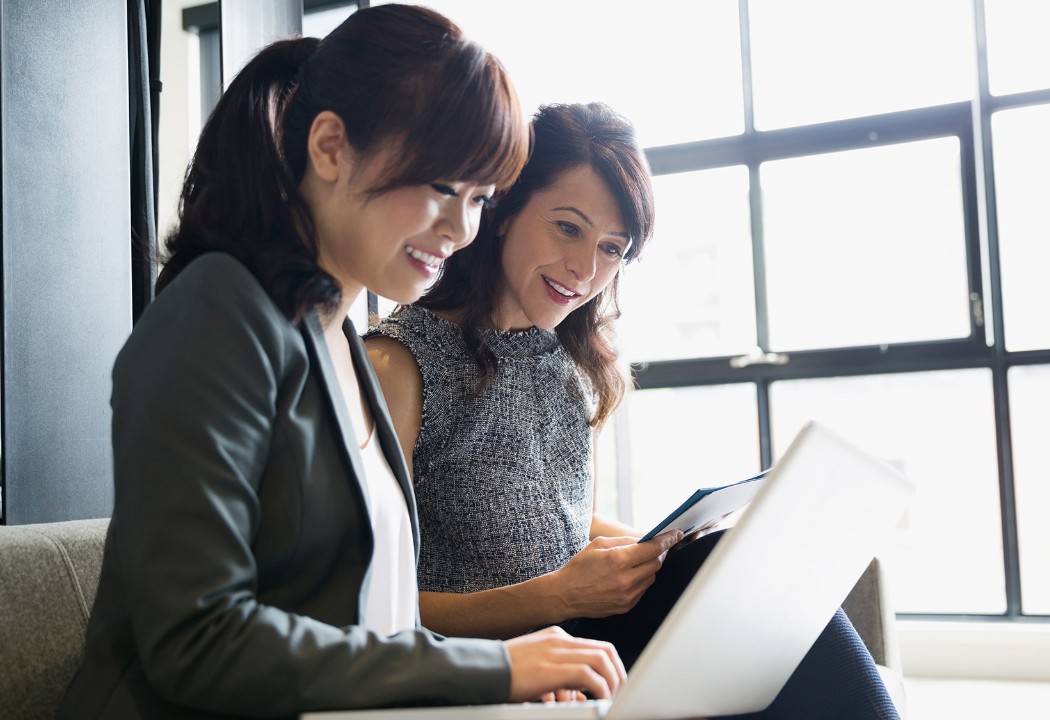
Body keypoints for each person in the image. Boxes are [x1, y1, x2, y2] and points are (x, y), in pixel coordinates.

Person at [57, 8, 627, 719]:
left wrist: (517, 676)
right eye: (443, 188)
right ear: (330, 147)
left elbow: (370, 629)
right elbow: (196, 640)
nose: (460, 229)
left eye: (480, 199)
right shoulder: (219, 310)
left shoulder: (341, 343)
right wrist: (490, 669)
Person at [365, 101, 901, 719]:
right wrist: (553, 599)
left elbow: (568, 524)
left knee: (744, 592)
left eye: (612, 249)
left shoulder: (568, 367)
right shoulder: (400, 366)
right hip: (486, 656)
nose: (585, 269)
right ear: (504, 210)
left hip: (577, 634)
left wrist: (672, 544)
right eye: (568, 228)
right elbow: (377, 607)